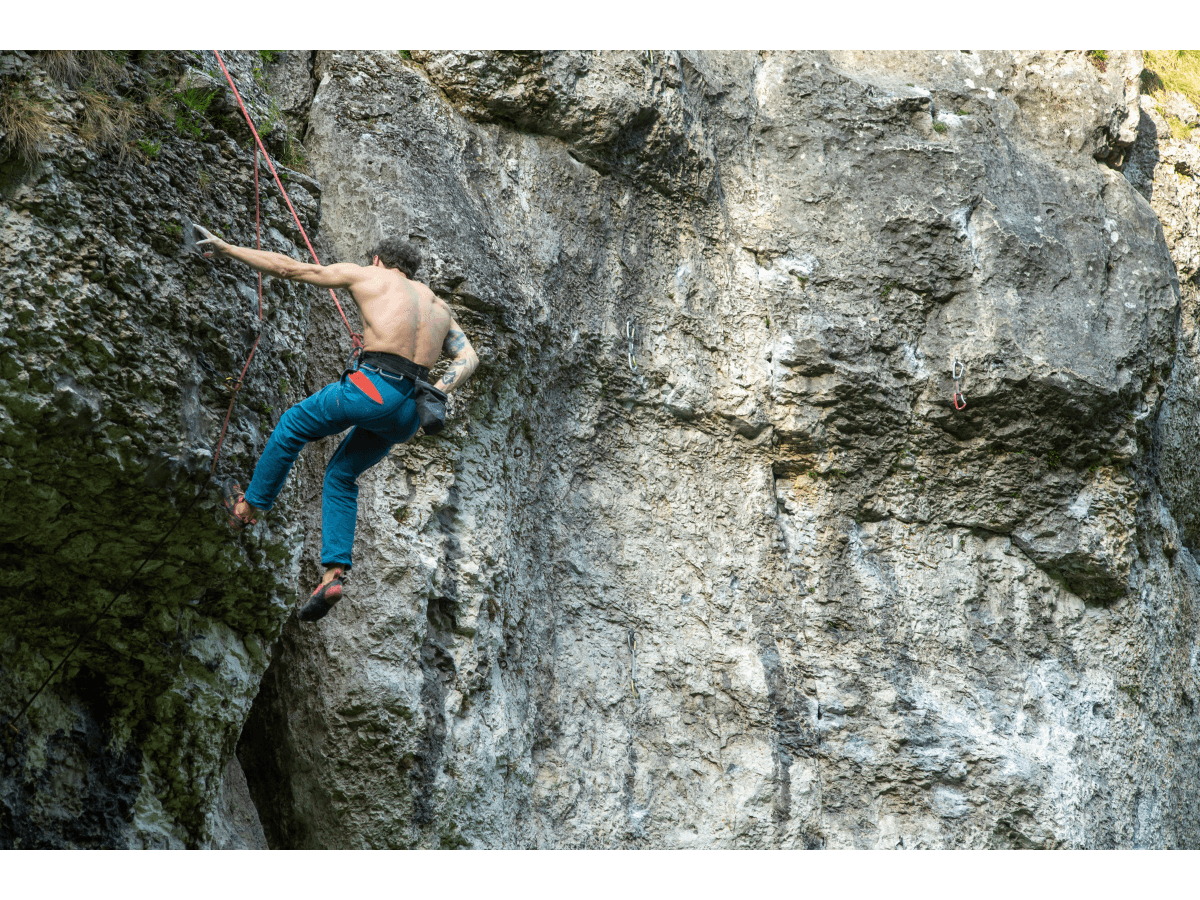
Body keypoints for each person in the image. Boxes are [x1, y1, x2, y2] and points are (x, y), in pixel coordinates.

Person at [193, 226, 479, 621]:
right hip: (410, 411)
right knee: (343, 476)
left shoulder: (369, 275)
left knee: (293, 424)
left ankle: (248, 509)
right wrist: (436, 392)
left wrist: (228, 249)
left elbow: (290, 269)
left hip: (372, 390)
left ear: (378, 260)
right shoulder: (438, 306)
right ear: (411, 271)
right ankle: (332, 574)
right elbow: (469, 360)